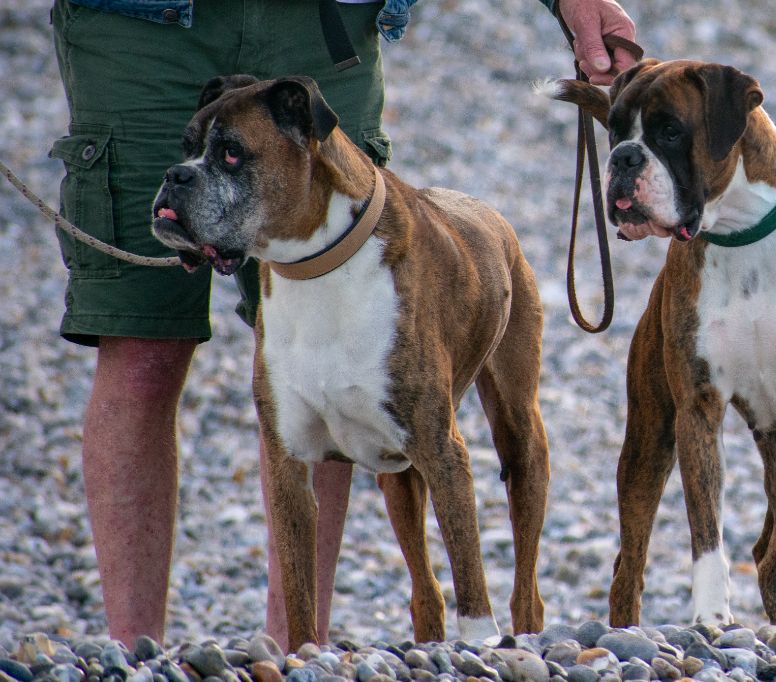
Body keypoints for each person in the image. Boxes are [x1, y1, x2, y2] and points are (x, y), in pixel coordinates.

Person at [50, 0, 638, 649]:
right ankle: (134, 656)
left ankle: (303, 650)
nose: (195, 171)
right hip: (137, 24)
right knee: (139, 344)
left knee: (350, 356)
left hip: (324, 21)